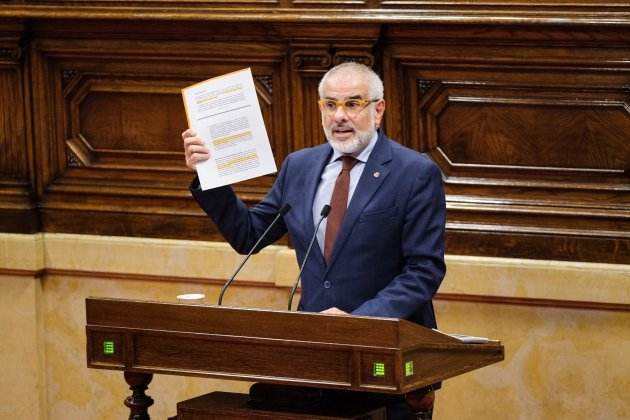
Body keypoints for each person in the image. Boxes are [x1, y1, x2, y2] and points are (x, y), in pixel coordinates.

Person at [182, 62, 446, 419]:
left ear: (378, 109)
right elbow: (249, 235)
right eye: (330, 104)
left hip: (388, 356)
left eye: (353, 103)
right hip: (317, 359)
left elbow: (423, 270)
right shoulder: (299, 166)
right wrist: (208, 176)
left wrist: (358, 321)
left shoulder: (414, 172)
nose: (340, 116)